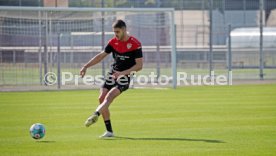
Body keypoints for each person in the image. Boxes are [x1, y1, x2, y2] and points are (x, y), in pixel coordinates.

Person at [79, 19, 143, 138]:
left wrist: (123, 73)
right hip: (113, 74)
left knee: (109, 97)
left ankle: (95, 114)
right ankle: (109, 131)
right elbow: (101, 56)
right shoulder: (113, 42)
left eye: (117, 32)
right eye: (114, 32)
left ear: (124, 30)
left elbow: (139, 66)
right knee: (101, 97)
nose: (116, 34)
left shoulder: (135, 44)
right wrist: (85, 66)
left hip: (125, 76)